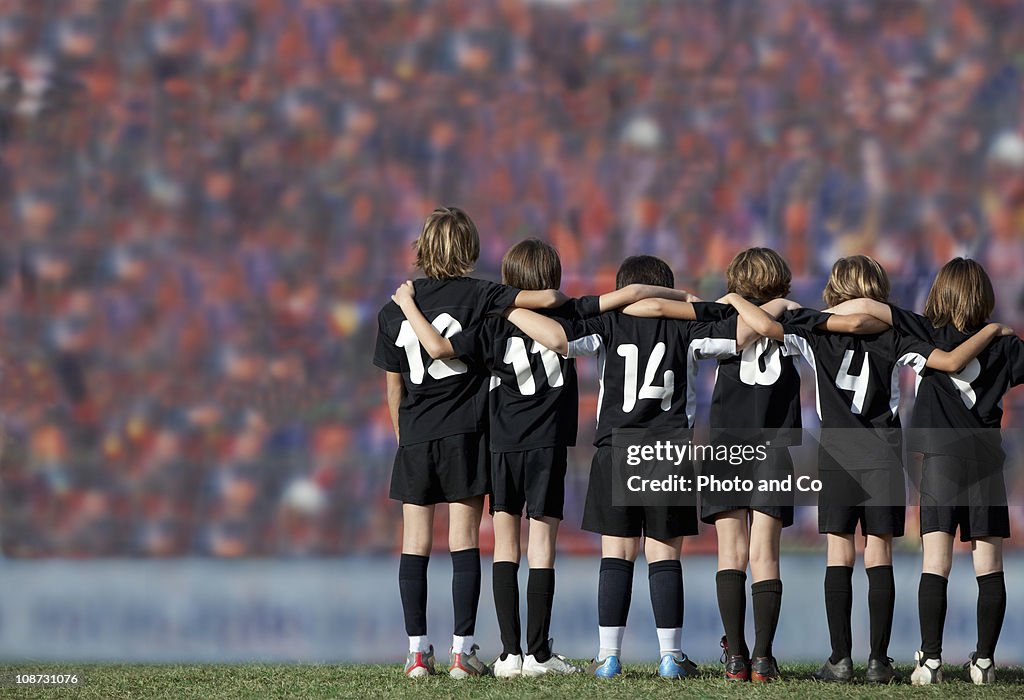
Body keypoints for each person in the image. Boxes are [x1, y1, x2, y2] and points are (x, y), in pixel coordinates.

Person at [391, 238, 694, 677]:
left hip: (502, 446)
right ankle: (537, 653)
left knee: (504, 548)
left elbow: (440, 347)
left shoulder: (493, 321)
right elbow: (626, 297)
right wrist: (682, 297)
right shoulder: (569, 314)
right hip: (548, 446)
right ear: (552, 277)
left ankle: (509, 653)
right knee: (542, 550)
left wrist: (408, 306)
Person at [722, 255, 1004, 684]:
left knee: (840, 553)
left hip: (836, 450)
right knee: (880, 552)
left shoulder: (814, 331)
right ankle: (878, 660)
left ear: (835, 290)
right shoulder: (895, 335)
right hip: (883, 449)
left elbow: (768, 327)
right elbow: (943, 362)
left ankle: (840, 659)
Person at [505, 255, 752, 679]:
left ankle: (608, 657)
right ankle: (671, 656)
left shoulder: (608, 323)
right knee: (663, 552)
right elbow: (742, 335)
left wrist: (507, 305)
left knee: (616, 553)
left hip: (617, 448)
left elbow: (558, 339)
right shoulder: (687, 326)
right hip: (669, 450)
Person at [372, 208, 564, 679]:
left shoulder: (395, 308)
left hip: (415, 436)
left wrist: (405, 436)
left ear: (423, 249)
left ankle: (417, 653)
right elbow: (547, 297)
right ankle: (462, 651)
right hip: (465, 434)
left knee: (414, 545)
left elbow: (392, 388)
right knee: (463, 543)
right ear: (470, 248)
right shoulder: (483, 294)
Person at [828, 257, 1020, 685]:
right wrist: (999, 331)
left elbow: (873, 308)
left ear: (940, 294)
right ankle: (984, 663)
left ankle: (930, 662)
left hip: (939, 462)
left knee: (937, 563)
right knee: (989, 566)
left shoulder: (924, 331)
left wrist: (827, 310)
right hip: (986, 461)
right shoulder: (1007, 346)